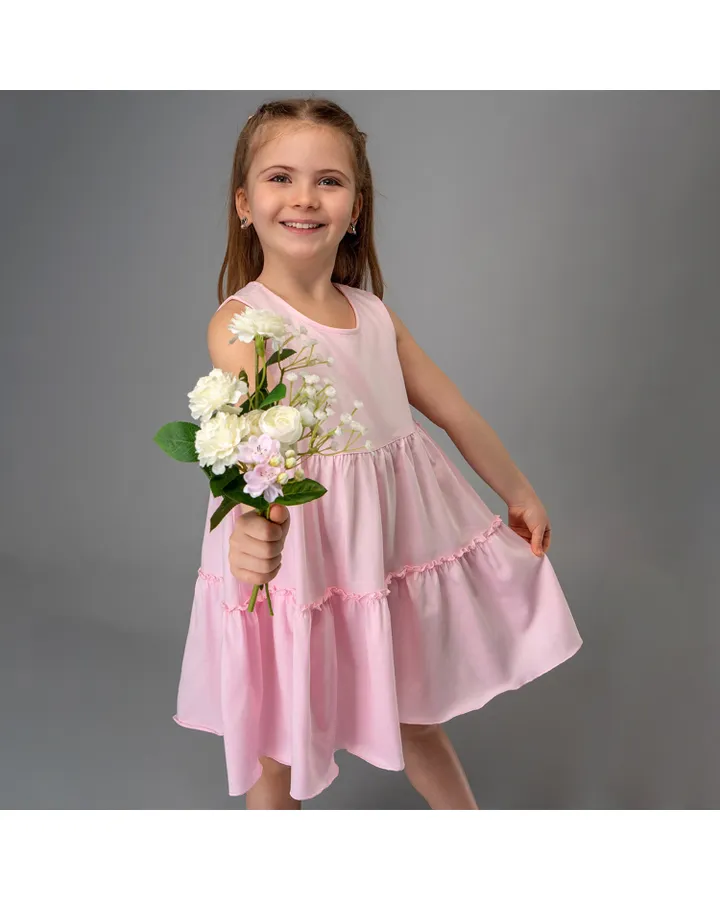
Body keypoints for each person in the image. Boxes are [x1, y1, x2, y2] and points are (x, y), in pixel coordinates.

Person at [172, 96, 583, 810]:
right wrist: (252, 533)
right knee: (277, 741)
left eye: (328, 180)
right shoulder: (244, 323)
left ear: (356, 207)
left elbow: (452, 409)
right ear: (244, 204)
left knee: (412, 710)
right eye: (280, 178)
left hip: (382, 546)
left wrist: (517, 490)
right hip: (298, 548)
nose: (305, 197)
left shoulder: (373, 315)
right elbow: (253, 453)